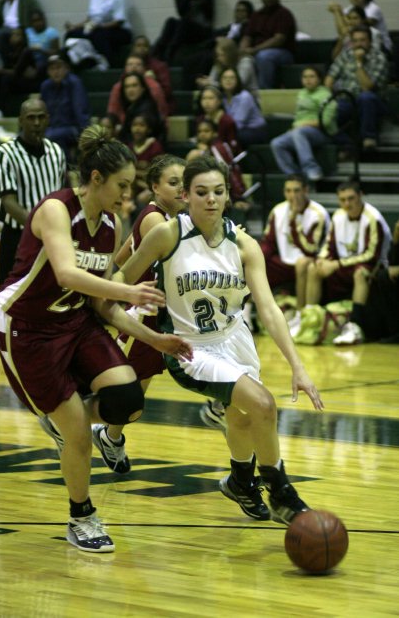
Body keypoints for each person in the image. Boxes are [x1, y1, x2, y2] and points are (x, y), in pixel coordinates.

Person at [0, 126, 192, 552]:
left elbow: (103, 307)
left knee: (127, 400)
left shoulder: (112, 225)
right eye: (122, 185)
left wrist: (153, 341)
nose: (127, 195)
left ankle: (67, 417)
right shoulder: (56, 210)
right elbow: (66, 274)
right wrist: (129, 290)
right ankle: (81, 515)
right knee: (78, 434)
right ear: (96, 178)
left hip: (76, 321)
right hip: (27, 328)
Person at [115, 156, 323, 523]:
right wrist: (123, 304)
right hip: (188, 346)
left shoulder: (243, 244)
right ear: (185, 195)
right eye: (201, 192)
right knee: (263, 405)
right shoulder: (167, 234)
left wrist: (298, 367)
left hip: (235, 338)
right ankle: (281, 492)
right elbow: (121, 278)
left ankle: (241, 481)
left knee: (241, 418)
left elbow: (270, 309)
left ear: (228, 195)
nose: (210, 199)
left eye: (218, 191)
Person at [85, 154, 186, 473]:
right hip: (145, 311)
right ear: (155, 187)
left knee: (143, 380)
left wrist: (121, 276)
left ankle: (109, 436)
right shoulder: (157, 220)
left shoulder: (165, 217)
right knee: (133, 385)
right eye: (173, 183)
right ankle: (75, 418)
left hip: (162, 308)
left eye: (185, 182)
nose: (181, 188)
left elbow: (127, 249)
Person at [0, 99, 67, 398]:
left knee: (52, 303)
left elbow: (60, 196)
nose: (35, 123)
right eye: (29, 117)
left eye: (40, 117)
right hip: (17, 238)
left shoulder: (57, 152)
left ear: (47, 119)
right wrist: (43, 227)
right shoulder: (4, 152)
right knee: (9, 307)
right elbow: (7, 200)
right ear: (20, 120)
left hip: (52, 238)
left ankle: (56, 372)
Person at [304, 181, 391, 313]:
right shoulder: (338, 215)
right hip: (344, 263)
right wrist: (322, 259)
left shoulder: (373, 218)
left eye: (351, 199)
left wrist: (336, 264)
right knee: (313, 267)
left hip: (373, 265)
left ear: (360, 195)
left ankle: (355, 323)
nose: (347, 204)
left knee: (360, 274)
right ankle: (309, 315)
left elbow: (371, 256)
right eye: (342, 200)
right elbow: (329, 244)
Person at [259, 174, 330, 334]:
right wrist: (257, 256)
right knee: (251, 263)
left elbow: (311, 249)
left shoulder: (318, 213)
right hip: (283, 263)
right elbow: (268, 243)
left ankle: (300, 315)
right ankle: (247, 316)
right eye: (288, 191)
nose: (292, 195)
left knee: (302, 262)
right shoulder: (277, 211)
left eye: (296, 190)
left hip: (310, 261)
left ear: (306, 191)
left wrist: (293, 222)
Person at [333, 219, 399, 345]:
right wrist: (396, 240)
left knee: (382, 275)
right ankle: (390, 331)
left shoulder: (373, 218)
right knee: (382, 277)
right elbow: (393, 260)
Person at [324, 26, 389, 150]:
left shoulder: (379, 58)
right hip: (346, 100)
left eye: (362, 40)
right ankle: (348, 144)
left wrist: (359, 62)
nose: (359, 44)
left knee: (366, 97)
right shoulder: (346, 55)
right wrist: (329, 97)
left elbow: (367, 87)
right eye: (355, 41)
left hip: (373, 103)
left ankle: (369, 138)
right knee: (326, 117)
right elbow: (329, 78)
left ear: (370, 41)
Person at [271, 66, 337, 181]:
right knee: (277, 143)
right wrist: (295, 127)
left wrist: (302, 125)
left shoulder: (326, 95)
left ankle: (312, 169)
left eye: (311, 76)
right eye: (305, 77)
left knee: (298, 133)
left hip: (321, 133)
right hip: (300, 131)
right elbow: (298, 116)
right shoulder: (302, 93)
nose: (308, 80)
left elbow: (325, 122)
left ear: (319, 79)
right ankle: (293, 176)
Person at [64, 0, 132, 63]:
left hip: (118, 31)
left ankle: (109, 64)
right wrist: (74, 26)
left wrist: (99, 26)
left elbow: (119, 21)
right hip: (95, 29)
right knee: (71, 34)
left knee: (99, 36)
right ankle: (77, 62)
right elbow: (89, 19)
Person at [153, 0, 214, 64]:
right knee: (171, 21)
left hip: (202, 30)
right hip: (185, 29)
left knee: (184, 23)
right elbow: (181, 13)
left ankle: (170, 53)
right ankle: (157, 52)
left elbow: (210, 15)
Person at [239, 0, 296, 89]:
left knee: (264, 56)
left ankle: (264, 92)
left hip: (283, 53)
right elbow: (247, 36)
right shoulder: (256, 15)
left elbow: (279, 39)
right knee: (238, 57)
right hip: (257, 51)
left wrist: (255, 50)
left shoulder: (284, 14)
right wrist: (242, 50)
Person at [40, 53, 90, 157]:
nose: (56, 72)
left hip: (72, 128)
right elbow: (42, 111)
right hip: (51, 128)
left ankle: (65, 168)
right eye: (52, 69)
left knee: (51, 136)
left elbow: (80, 111)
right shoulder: (45, 86)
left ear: (66, 68)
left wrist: (86, 135)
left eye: (58, 68)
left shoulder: (75, 84)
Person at [107, 54, 169, 124]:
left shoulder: (154, 86)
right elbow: (112, 111)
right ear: (125, 68)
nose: (134, 67)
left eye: (138, 64)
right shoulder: (117, 87)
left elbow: (161, 112)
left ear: (144, 68)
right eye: (130, 64)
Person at [219, 67, 267, 148]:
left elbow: (238, 124)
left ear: (237, 80)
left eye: (232, 78)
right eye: (225, 78)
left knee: (234, 137)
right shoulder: (222, 98)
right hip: (236, 129)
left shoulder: (245, 97)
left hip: (255, 130)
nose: (228, 80)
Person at [116, 72, 165, 146]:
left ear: (143, 88)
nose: (130, 90)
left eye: (134, 85)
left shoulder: (147, 109)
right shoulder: (132, 106)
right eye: (127, 87)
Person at [125, 114, 164, 205]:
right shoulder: (128, 148)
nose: (137, 128)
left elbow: (158, 173)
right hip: (133, 186)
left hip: (150, 187)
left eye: (141, 125)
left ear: (149, 129)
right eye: (134, 125)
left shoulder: (155, 146)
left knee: (142, 198)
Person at [131, 35, 173, 111]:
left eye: (145, 46)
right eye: (138, 46)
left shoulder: (160, 66)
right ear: (133, 48)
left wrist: (154, 82)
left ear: (149, 49)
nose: (142, 48)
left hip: (156, 104)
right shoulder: (130, 66)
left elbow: (167, 91)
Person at [197, 85, 238, 151]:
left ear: (219, 101)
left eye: (210, 98)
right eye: (204, 98)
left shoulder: (227, 121)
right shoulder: (200, 119)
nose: (206, 102)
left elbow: (233, 148)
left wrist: (209, 149)